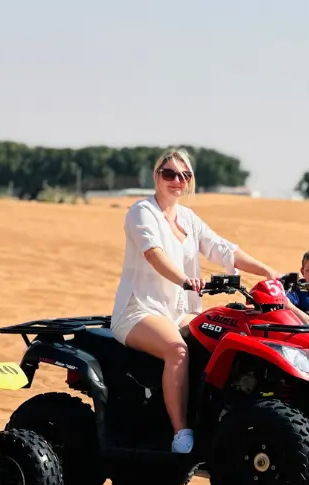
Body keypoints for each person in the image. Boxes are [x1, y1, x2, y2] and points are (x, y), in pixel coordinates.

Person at [111, 148, 283, 454]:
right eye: (169, 174)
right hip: (141, 309)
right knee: (177, 350)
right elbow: (154, 255)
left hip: (181, 312)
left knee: (231, 338)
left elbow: (222, 249)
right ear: (156, 176)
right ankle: (181, 434)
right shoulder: (142, 212)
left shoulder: (188, 218)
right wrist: (184, 280)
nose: (177, 180)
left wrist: (266, 270)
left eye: (184, 175)